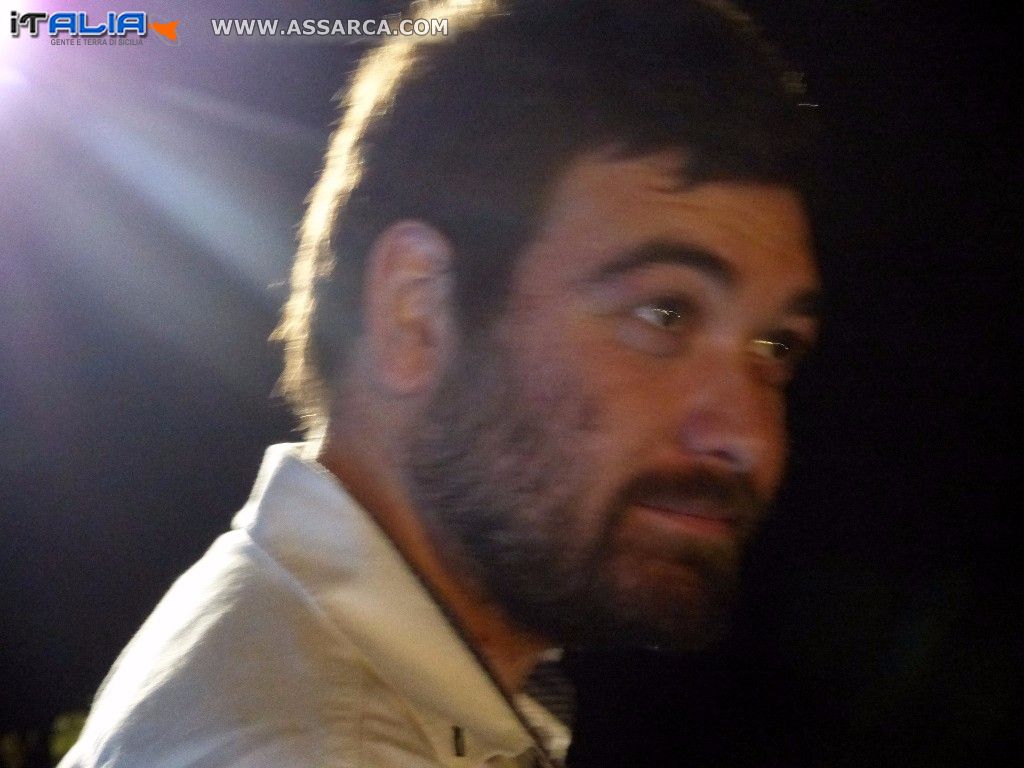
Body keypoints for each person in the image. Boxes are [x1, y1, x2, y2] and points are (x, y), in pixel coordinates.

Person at [60, 1, 821, 766]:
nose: (749, 438)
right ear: (416, 311)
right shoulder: (311, 745)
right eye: (665, 313)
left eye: (775, 346)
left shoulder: (287, 642)